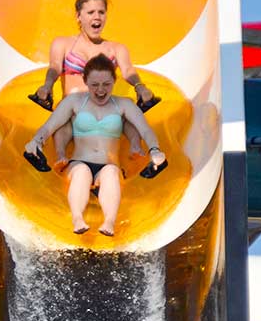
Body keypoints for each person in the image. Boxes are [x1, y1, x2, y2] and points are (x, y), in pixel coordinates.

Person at [23, 54, 167, 237]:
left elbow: (145, 130)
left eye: (106, 84)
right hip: (78, 163)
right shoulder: (74, 102)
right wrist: (36, 141)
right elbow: (49, 127)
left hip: (109, 164)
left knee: (111, 172)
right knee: (82, 171)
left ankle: (109, 221)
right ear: (85, 82)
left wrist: (154, 149)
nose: (100, 90)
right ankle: (77, 218)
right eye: (95, 85)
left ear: (114, 82)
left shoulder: (123, 105)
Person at [28, 0, 161, 157]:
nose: (97, 17)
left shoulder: (116, 48)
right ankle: (60, 155)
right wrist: (47, 86)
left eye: (101, 12)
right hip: (74, 109)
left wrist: (140, 87)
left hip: (103, 109)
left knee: (127, 110)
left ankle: (136, 147)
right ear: (78, 16)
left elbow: (128, 70)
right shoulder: (63, 43)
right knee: (63, 113)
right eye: (90, 12)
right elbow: (54, 66)